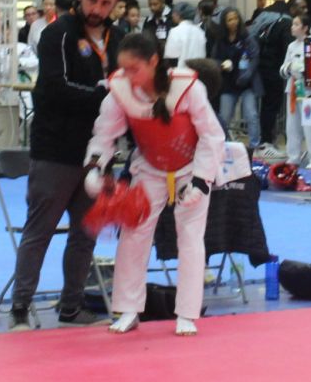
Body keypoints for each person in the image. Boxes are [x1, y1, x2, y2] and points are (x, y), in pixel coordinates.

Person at [84, 31, 224, 336]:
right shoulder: (119, 90)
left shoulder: (189, 87)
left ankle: (187, 313)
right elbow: (104, 135)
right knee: (133, 236)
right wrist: (95, 166)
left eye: (134, 69)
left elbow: (212, 135)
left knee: (190, 238)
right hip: (149, 168)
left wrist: (201, 180)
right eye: (123, 68)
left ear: (153, 61)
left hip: (190, 169)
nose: (127, 76)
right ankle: (128, 309)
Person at [7, 0, 118, 331]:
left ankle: (72, 306)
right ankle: (20, 308)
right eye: (92, 0)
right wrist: (103, 96)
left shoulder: (118, 39)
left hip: (97, 153)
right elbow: (53, 90)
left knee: (85, 235)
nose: (97, 9)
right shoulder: (58, 34)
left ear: (114, 3)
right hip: (55, 150)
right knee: (39, 231)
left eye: (105, 3)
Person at [211, 7, 261, 147]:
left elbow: (255, 57)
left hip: (246, 84)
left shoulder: (247, 38)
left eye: (236, 18)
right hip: (228, 84)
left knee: (251, 115)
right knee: (224, 118)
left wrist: (248, 74)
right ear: (224, 23)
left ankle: (254, 146)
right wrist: (222, 64)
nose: (234, 22)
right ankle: (224, 145)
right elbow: (214, 59)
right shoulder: (220, 40)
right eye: (230, 20)